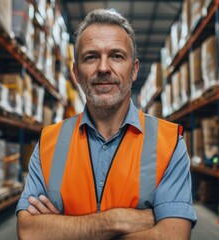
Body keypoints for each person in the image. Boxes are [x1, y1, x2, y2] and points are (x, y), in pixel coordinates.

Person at [16, 9, 197, 239]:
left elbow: (174, 235)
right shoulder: (49, 143)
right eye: (91, 57)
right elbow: (28, 231)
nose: (103, 68)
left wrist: (64, 228)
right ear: (76, 73)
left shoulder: (169, 142)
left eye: (116, 56)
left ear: (134, 70)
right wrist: (117, 221)